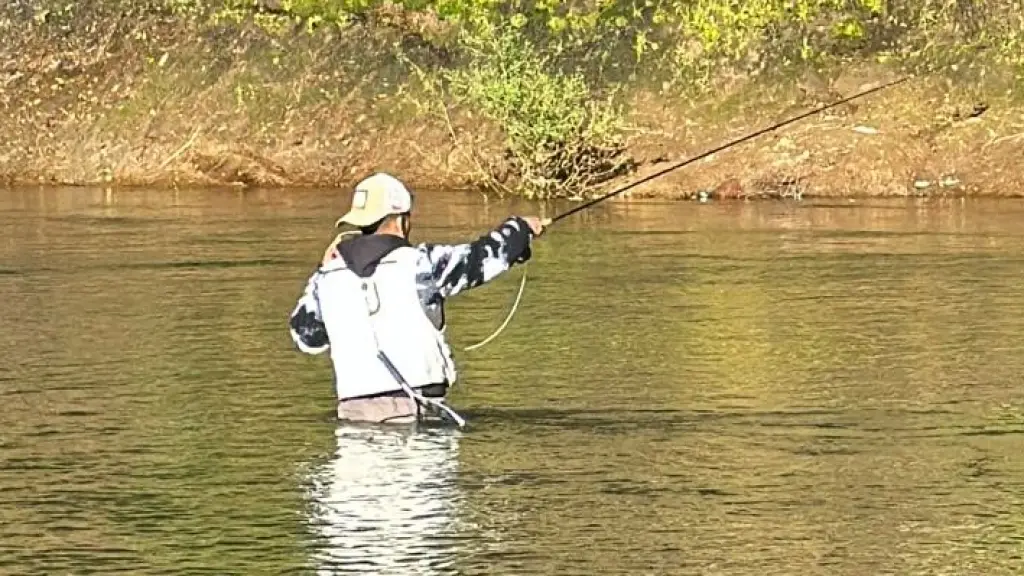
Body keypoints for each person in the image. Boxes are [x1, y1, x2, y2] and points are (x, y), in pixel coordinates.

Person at [288, 172, 547, 426]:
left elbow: (307, 338)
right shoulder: (422, 264)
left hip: (353, 417)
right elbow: (482, 258)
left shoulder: (326, 278)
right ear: (402, 221)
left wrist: (320, 270)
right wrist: (521, 228)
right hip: (418, 412)